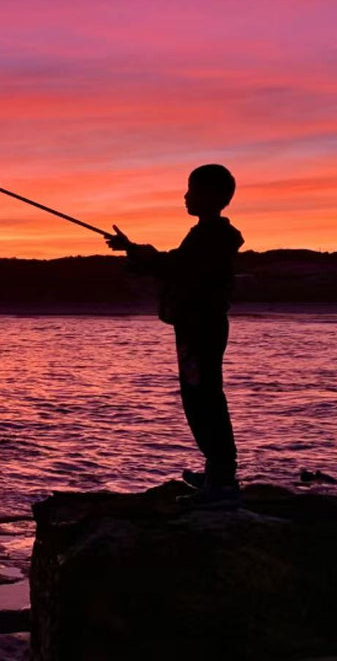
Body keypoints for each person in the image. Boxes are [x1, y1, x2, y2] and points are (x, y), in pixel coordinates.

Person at [105, 164, 245, 505]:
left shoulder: (215, 236)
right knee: (200, 398)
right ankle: (217, 472)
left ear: (213, 196)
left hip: (201, 327)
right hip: (196, 326)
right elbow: (178, 263)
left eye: (192, 190)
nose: (186, 196)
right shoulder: (205, 235)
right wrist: (133, 249)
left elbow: (182, 268)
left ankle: (222, 481)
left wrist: (144, 255)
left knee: (203, 399)